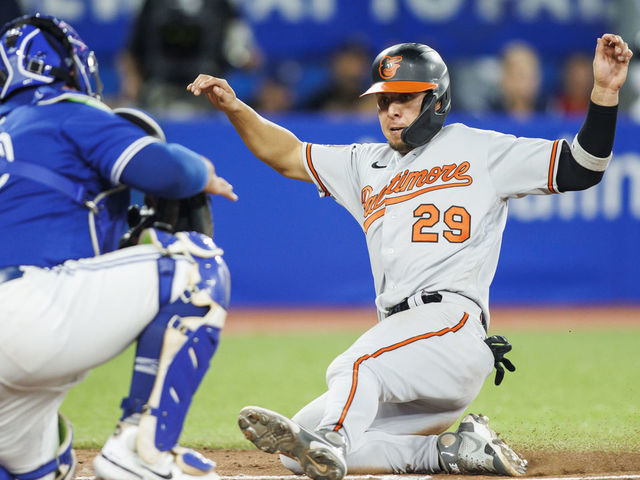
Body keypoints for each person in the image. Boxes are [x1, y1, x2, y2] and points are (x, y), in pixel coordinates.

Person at [188, 33, 632, 479]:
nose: (391, 111)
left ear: (436, 99)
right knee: (295, 447)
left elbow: (582, 166)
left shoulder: (480, 149)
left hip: (450, 328)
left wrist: (605, 92)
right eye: (383, 102)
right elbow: (284, 154)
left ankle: (335, 438)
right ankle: (451, 453)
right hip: (404, 350)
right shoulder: (366, 163)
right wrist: (235, 108)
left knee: (353, 367)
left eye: (404, 98)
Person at [0, 14, 237, 480]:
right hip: (25, 313)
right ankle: (141, 447)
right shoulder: (63, 109)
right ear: (67, 65)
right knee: (195, 266)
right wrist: (205, 171)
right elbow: (169, 172)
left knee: (43, 466)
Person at [118, 0, 259, 114]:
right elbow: (131, 52)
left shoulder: (220, 6)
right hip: (159, 90)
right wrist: (132, 80)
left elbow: (245, 54)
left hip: (206, 94)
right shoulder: (153, 5)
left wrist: (243, 57)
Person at [489, 41, 549, 117]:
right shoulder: (489, 114)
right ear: (505, 78)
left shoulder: (550, 112)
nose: (528, 82)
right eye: (521, 75)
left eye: (532, 75)